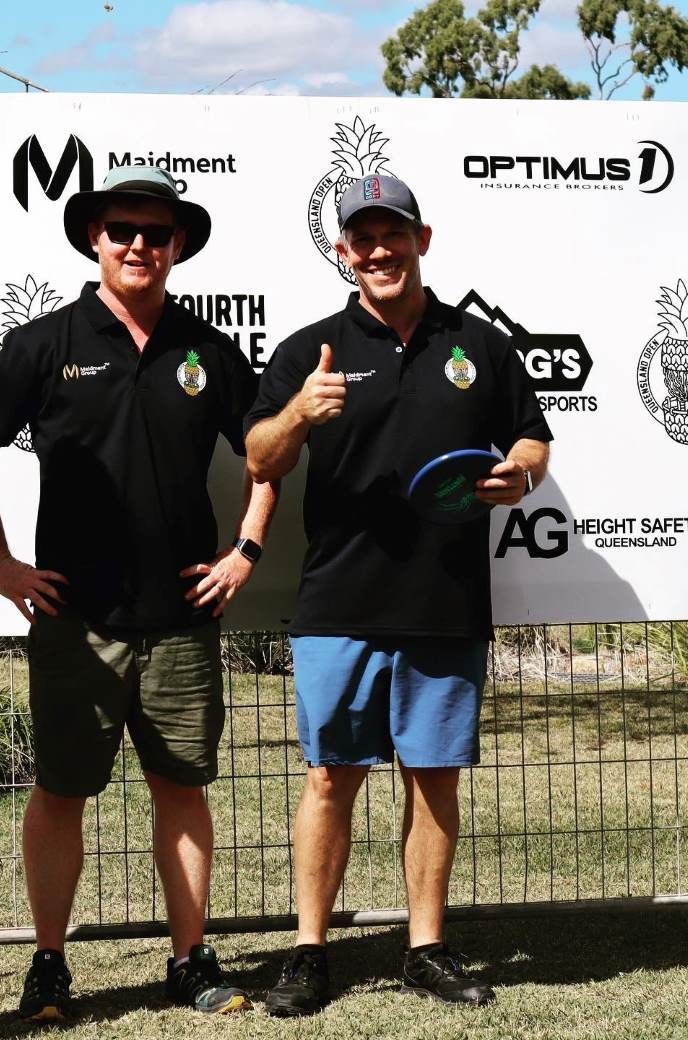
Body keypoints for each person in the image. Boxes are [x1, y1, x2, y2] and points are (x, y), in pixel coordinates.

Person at [0, 165, 278, 1019]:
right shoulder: (43, 344)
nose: (139, 244)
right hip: (75, 618)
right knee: (61, 792)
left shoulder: (208, 350)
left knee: (182, 791)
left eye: (156, 233)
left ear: (178, 246)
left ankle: (191, 960)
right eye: (121, 231)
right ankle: (50, 965)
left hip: (180, 619)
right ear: (93, 241)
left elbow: (267, 455)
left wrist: (246, 549)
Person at [244, 174, 552, 1015]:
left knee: (434, 781)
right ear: (342, 250)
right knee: (329, 780)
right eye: (362, 238)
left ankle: (426, 947)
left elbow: (532, 435)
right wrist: (300, 414)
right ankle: (310, 952)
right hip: (338, 603)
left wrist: (519, 473)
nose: (379, 251)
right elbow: (260, 461)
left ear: (423, 238)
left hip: (446, 602)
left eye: (394, 234)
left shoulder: (479, 346)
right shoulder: (311, 349)